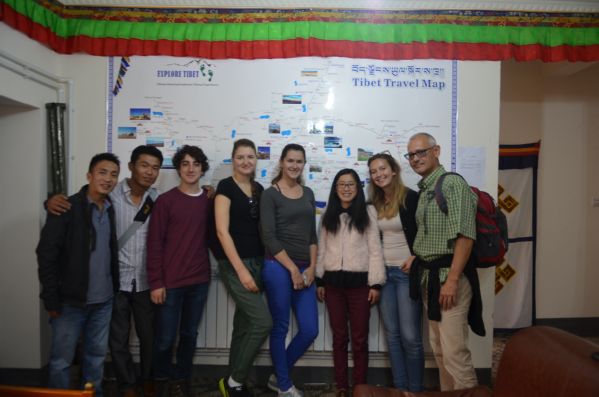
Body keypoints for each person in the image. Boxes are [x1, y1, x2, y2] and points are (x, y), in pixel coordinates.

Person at [47, 145, 164, 397]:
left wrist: (208, 191)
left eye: (155, 168)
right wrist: (51, 200)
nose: (149, 172)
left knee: (146, 339)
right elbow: (51, 250)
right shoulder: (109, 197)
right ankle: (127, 385)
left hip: (144, 281)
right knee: (116, 342)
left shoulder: (157, 199)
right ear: (131, 167)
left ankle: (146, 381)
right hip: (116, 283)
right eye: (144, 165)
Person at [37, 153, 121, 397]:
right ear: (89, 175)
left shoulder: (110, 208)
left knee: (95, 359)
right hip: (69, 303)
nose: (108, 179)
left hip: (103, 302)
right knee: (61, 362)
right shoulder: (66, 208)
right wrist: (51, 299)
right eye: (102, 172)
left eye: (113, 174)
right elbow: (46, 257)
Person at [406, 132, 483, 391]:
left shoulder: (451, 184)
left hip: (450, 280)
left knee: (455, 355)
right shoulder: (426, 189)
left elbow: (465, 236)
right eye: (411, 155)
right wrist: (417, 256)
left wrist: (451, 280)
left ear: (436, 151)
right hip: (430, 280)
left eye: (421, 152)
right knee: (439, 351)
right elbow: (433, 236)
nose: (415, 159)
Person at [147, 145, 213, 397]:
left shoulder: (209, 201)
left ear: (202, 168)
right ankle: (162, 378)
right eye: (185, 163)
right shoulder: (165, 201)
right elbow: (154, 244)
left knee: (189, 335)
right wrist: (156, 282)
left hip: (198, 281)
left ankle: (182, 379)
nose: (190, 168)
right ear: (178, 168)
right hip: (169, 284)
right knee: (164, 338)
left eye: (196, 164)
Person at [315, 169, 385, 397]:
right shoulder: (329, 214)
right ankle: (342, 386)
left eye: (351, 184)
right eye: (342, 184)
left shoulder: (368, 213)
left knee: (359, 338)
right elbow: (323, 249)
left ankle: (360, 386)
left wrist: (375, 284)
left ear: (358, 187)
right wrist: (320, 280)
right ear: (335, 188)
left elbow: (375, 250)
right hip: (333, 285)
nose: (346, 188)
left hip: (360, 286)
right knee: (339, 337)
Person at [214, 139, 272, 397]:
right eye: (240, 157)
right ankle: (235, 381)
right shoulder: (225, 187)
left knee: (245, 323)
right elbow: (222, 232)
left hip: (258, 262)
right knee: (263, 322)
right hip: (235, 264)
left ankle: (232, 380)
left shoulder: (258, 188)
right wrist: (241, 270)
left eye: (250, 157)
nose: (246, 161)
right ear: (233, 159)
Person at [260, 143, 319, 397]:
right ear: (282, 162)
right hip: (278, 267)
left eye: (299, 161)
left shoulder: (308, 192)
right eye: (290, 160)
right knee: (280, 327)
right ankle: (284, 386)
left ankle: (277, 375)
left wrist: (313, 267)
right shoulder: (270, 194)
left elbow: (312, 235)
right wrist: (293, 269)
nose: (295, 165)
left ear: (303, 164)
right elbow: (269, 238)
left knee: (309, 329)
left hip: (306, 268)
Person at [367, 152, 424, 392]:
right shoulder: (374, 203)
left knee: (410, 337)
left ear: (393, 170)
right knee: (392, 335)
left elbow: (427, 230)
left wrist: (417, 255)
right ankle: (400, 389)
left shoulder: (411, 198)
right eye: (373, 171)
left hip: (406, 274)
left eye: (382, 169)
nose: (378, 174)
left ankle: (415, 390)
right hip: (384, 275)